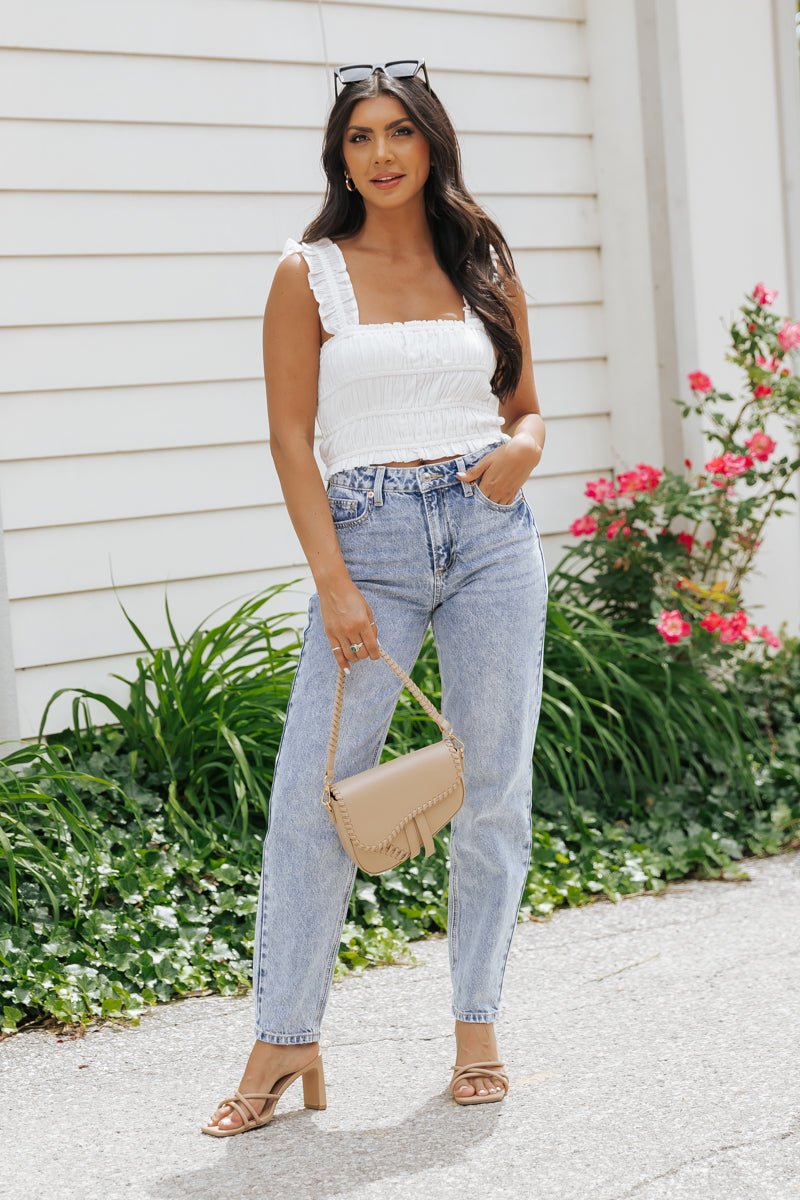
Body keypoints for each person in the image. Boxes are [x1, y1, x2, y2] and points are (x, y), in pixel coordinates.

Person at [202, 59, 548, 1136]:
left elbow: (526, 405)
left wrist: (521, 453)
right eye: (359, 137)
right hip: (371, 544)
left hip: (490, 533)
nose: (381, 154)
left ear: (431, 141)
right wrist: (335, 583)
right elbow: (288, 440)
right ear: (338, 155)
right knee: (321, 794)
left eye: (399, 132)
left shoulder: (481, 260)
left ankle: (477, 1029)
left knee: (491, 789)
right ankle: (284, 1037)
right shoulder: (307, 274)